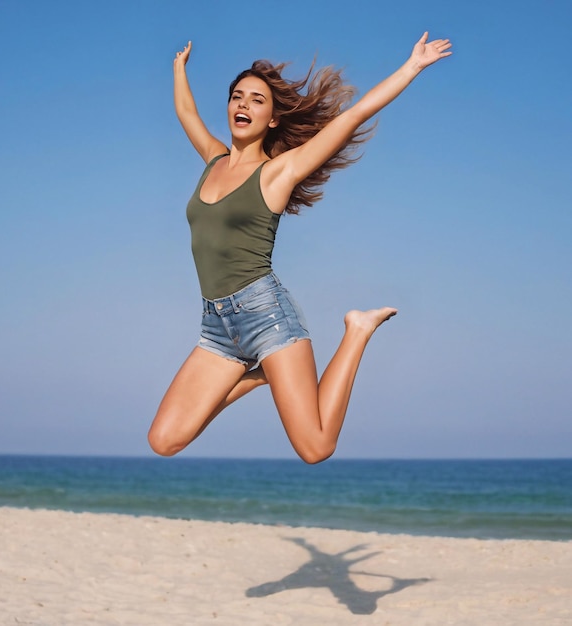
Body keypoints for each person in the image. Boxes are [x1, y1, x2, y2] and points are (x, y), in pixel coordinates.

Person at [148, 33, 452, 463]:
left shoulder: (278, 173)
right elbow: (185, 112)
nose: (244, 105)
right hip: (216, 327)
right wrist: (179, 68)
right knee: (164, 440)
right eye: (238, 97)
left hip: (267, 316)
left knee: (316, 447)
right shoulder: (214, 161)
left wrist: (413, 66)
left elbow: (354, 117)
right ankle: (261, 376)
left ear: (273, 118)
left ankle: (358, 329)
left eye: (257, 100)